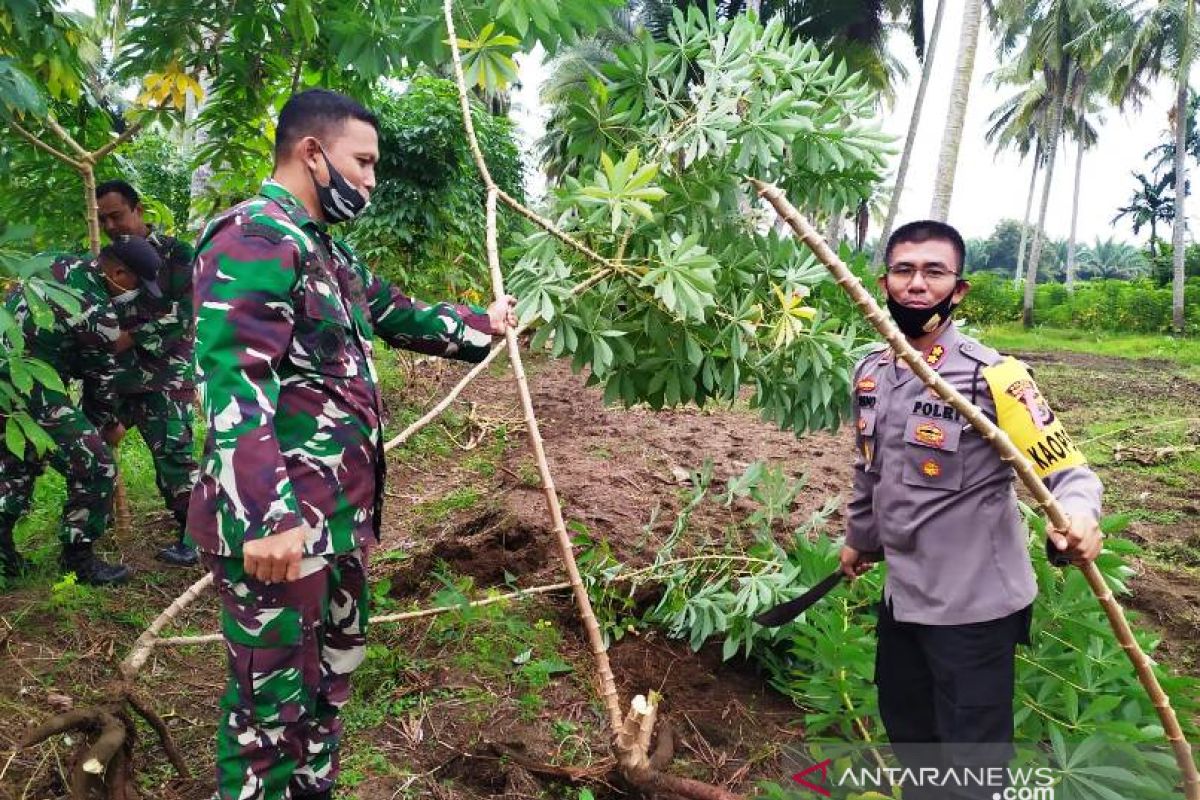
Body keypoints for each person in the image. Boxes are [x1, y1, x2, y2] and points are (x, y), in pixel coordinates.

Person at [189, 88, 516, 800]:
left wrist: (483, 325)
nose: (371, 179)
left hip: (335, 525)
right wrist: (268, 519)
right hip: (280, 531)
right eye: (362, 161)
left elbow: (400, 312)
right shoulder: (254, 236)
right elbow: (232, 384)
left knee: (324, 697)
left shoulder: (326, 255)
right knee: (267, 718)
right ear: (313, 152)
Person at [840, 220, 1103, 799]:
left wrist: (1080, 519)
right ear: (883, 282)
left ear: (958, 290)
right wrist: (859, 539)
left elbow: (1068, 472)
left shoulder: (995, 377)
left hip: (974, 609)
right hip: (903, 600)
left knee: (972, 765)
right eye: (904, 271)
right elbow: (870, 472)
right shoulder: (870, 374)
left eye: (934, 272)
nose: (917, 284)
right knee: (912, 740)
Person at [0, 237, 165, 584]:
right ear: (119, 272)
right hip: (32, 385)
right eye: (136, 283)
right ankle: (79, 559)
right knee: (96, 464)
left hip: (8, 379)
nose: (134, 292)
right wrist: (101, 429)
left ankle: (3, 558)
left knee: (16, 465)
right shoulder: (98, 315)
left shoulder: (52, 261)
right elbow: (99, 383)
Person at [91, 179, 199, 566]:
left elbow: (185, 316)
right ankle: (89, 534)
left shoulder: (176, 254)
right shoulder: (102, 260)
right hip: (118, 379)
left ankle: (195, 539)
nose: (111, 226)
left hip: (166, 376)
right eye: (102, 220)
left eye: (117, 216)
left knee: (174, 459)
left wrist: (129, 338)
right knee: (91, 449)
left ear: (138, 210)